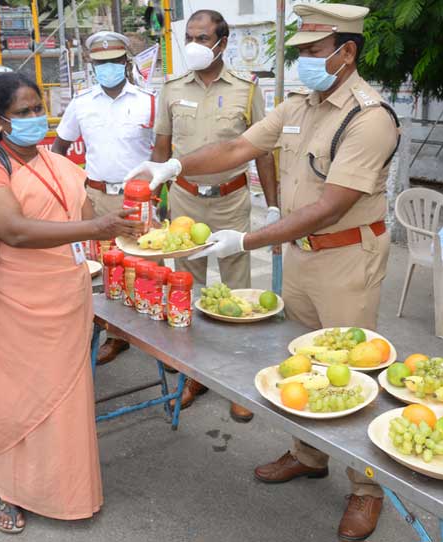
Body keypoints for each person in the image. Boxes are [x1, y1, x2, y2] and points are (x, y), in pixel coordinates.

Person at [127, 4, 399, 540]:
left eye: (313, 53)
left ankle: (366, 489)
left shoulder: (369, 117)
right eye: (299, 53)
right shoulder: (301, 105)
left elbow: (331, 207)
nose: (302, 63)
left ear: (347, 53)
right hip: (301, 256)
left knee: (355, 371)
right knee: (304, 362)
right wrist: (174, 166)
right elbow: (239, 146)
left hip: (347, 256)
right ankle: (309, 453)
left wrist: (248, 237)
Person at [0, 73, 141, 534]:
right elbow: (15, 230)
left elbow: (86, 218)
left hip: (67, 297)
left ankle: (67, 492)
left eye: (37, 107)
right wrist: (95, 229)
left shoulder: (57, 163)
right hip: (12, 304)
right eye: (21, 112)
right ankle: (11, 492)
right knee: (14, 400)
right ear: (0, 120)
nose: (33, 118)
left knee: (65, 403)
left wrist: (126, 223)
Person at [151, 9, 278, 422]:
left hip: (230, 200)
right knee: (188, 287)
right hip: (185, 201)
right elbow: (162, 151)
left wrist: (273, 207)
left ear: (222, 43)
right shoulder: (171, 88)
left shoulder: (245, 90)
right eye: (189, 36)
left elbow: (262, 150)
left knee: (238, 292)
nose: (194, 45)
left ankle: (239, 379)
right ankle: (195, 373)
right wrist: (154, 201)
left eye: (203, 38)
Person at [52, 31, 154, 365]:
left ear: (126, 62)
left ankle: (158, 339)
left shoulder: (147, 101)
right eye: (100, 63)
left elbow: (163, 151)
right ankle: (114, 334)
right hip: (96, 197)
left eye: (113, 62)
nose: (107, 68)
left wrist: (159, 195)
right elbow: (60, 148)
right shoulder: (81, 104)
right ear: (91, 66)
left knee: (145, 267)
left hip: (138, 199)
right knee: (105, 270)